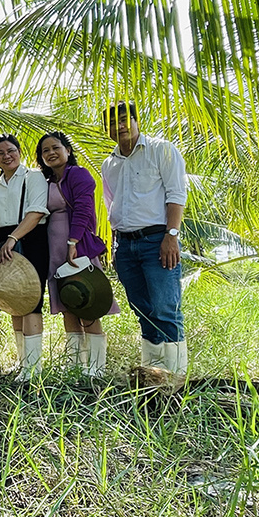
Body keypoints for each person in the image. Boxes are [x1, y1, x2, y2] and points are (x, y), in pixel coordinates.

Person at [101, 101, 188, 374]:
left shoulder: (162, 150)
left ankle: (175, 377)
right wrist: (115, 247)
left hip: (157, 241)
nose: (120, 126)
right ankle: (152, 373)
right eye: (113, 123)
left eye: (125, 119)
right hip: (125, 245)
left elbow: (176, 195)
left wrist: (170, 236)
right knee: (142, 310)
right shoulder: (109, 163)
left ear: (137, 121)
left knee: (165, 308)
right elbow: (112, 205)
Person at [36, 131, 121, 376]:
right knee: (68, 302)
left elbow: (84, 209)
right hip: (54, 249)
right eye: (45, 151)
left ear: (68, 150)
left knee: (88, 302)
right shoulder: (48, 181)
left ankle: (96, 366)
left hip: (77, 246)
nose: (50, 153)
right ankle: (74, 363)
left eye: (55, 148)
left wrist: (73, 242)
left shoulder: (78, 174)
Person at [0, 134, 50, 381]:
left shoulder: (34, 177)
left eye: (11, 150)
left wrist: (13, 238)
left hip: (30, 239)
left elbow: (37, 211)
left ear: (19, 152)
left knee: (30, 300)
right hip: (0, 242)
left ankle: (33, 369)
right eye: (0, 153)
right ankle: (23, 364)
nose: (6, 156)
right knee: (12, 298)